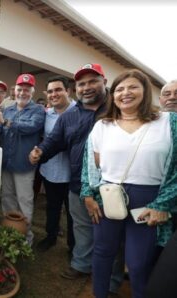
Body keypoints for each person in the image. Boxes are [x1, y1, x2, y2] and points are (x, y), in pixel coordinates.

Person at [80, 69, 176, 298]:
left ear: (146, 90)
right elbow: (89, 165)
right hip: (108, 197)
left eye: (133, 87)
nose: (125, 93)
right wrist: (87, 195)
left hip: (149, 201)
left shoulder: (168, 122)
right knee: (103, 253)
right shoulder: (103, 126)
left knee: (138, 262)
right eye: (119, 89)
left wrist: (162, 204)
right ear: (113, 95)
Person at [29, 63, 124, 294]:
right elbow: (54, 140)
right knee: (81, 228)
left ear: (104, 82)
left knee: (112, 235)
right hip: (78, 183)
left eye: (93, 81)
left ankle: (111, 281)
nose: (87, 87)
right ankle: (81, 264)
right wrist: (40, 151)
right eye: (82, 83)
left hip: (112, 186)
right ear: (76, 88)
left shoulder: (118, 110)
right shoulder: (69, 116)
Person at [0, 73, 45, 245]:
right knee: (7, 198)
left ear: (32, 91)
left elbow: (31, 127)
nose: (22, 93)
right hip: (7, 164)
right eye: (19, 89)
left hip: (24, 165)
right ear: (14, 90)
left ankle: (25, 238)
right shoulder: (8, 109)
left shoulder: (37, 110)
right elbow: (0, 132)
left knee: (24, 200)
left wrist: (5, 122)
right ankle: (9, 233)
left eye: (26, 90)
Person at [36, 75, 75, 252]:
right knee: (52, 208)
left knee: (73, 214)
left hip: (72, 174)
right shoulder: (46, 114)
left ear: (68, 91)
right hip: (49, 171)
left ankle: (73, 246)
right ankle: (50, 236)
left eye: (58, 90)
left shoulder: (79, 112)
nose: (54, 94)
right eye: (50, 91)